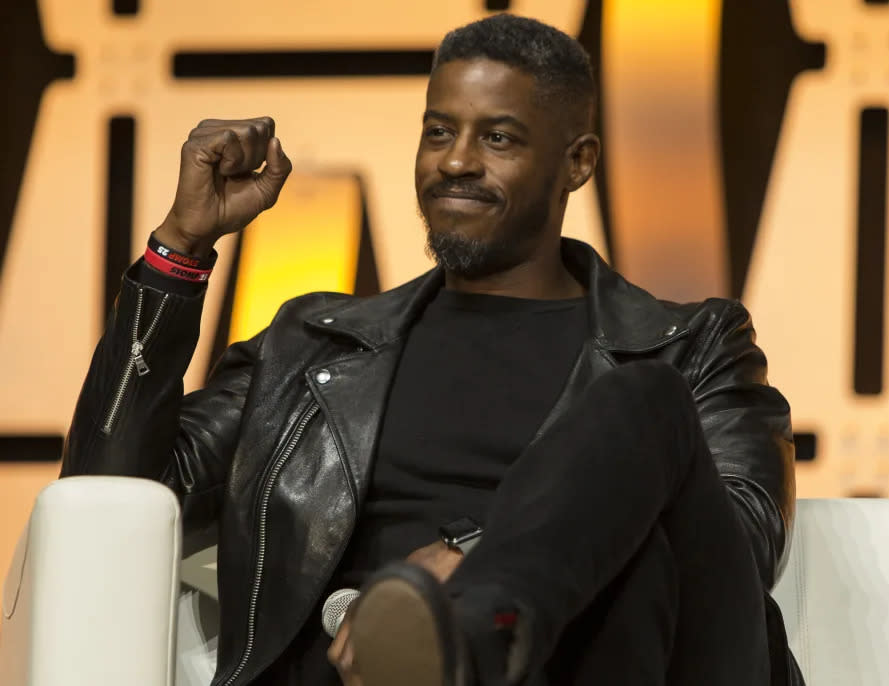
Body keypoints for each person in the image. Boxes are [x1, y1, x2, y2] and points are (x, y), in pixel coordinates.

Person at [61, 13, 802, 686]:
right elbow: (106, 498)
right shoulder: (312, 345)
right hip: (348, 673)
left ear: (577, 162)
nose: (455, 162)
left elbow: (735, 552)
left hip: (588, 663)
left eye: (499, 138)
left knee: (647, 401)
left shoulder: (690, 346)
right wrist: (181, 250)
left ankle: (466, 645)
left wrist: (481, 556)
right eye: (439, 132)